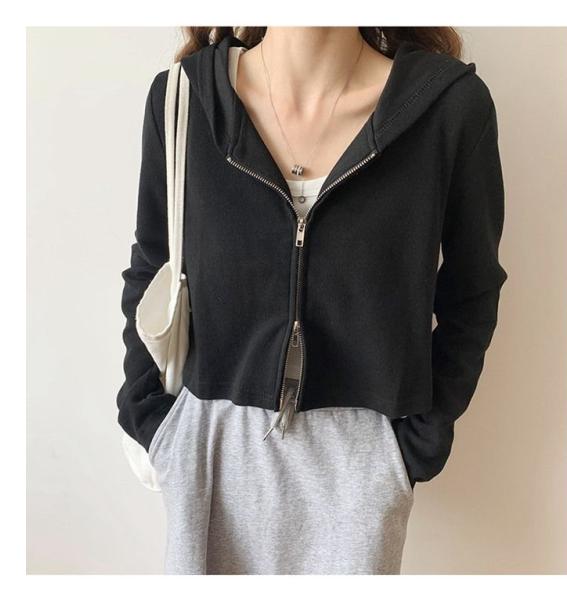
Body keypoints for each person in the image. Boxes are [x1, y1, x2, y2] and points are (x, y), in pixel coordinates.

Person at [116, 26, 508, 575]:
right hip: (210, 445)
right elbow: (152, 262)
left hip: (362, 460)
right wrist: (151, 419)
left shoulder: (447, 108)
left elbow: (472, 289)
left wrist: (413, 444)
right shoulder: (183, 100)